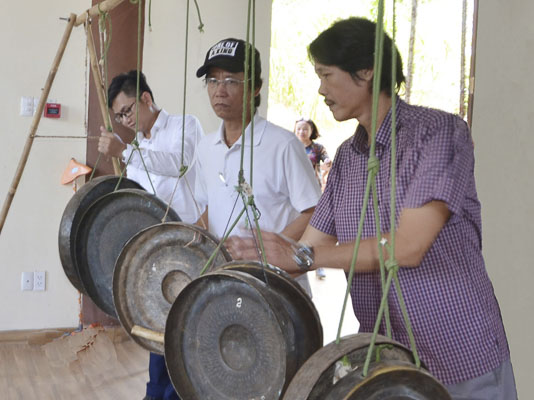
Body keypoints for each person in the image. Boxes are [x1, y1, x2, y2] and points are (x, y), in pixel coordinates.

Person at [227, 17, 516, 399]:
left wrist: (304, 254)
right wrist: (250, 265)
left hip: (458, 351)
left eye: (327, 75)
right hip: (390, 358)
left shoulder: (438, 134)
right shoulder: (348, 157)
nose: (321, 90)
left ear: (365, 72)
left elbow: (407, 247)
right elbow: (306, 247)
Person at [98, 70, 203, 400]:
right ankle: (155, 393)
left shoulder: (185, 125)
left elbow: (180, 163)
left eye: (127, 110)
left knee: (186, 325)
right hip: (157, 247)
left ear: (145, 98)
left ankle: (177, 393)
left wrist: (125, 151)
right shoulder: (138, 147)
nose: (124, 120)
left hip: (192, 241)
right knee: (158, 323)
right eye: (118, 116)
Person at [194, 38, 321, 294]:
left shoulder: (282, 145)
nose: (219, 90)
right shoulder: (205, 148)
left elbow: (314, 211)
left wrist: (270, 249)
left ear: (255, 88)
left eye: (231, 80)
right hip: (225, 281)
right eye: (213, 81)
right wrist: (191, 239)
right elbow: (211, 206)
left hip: (278, 284)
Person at [294, 117, 331, 279]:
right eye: (299, 129)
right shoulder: (292, 146)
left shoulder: (317, 148)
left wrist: (327, 163)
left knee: (316, 229)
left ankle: (318, 265)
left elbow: (327, 160)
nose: (302, 132)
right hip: (294, 194)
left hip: (313, 194)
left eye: (305, 129)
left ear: (311, 131)